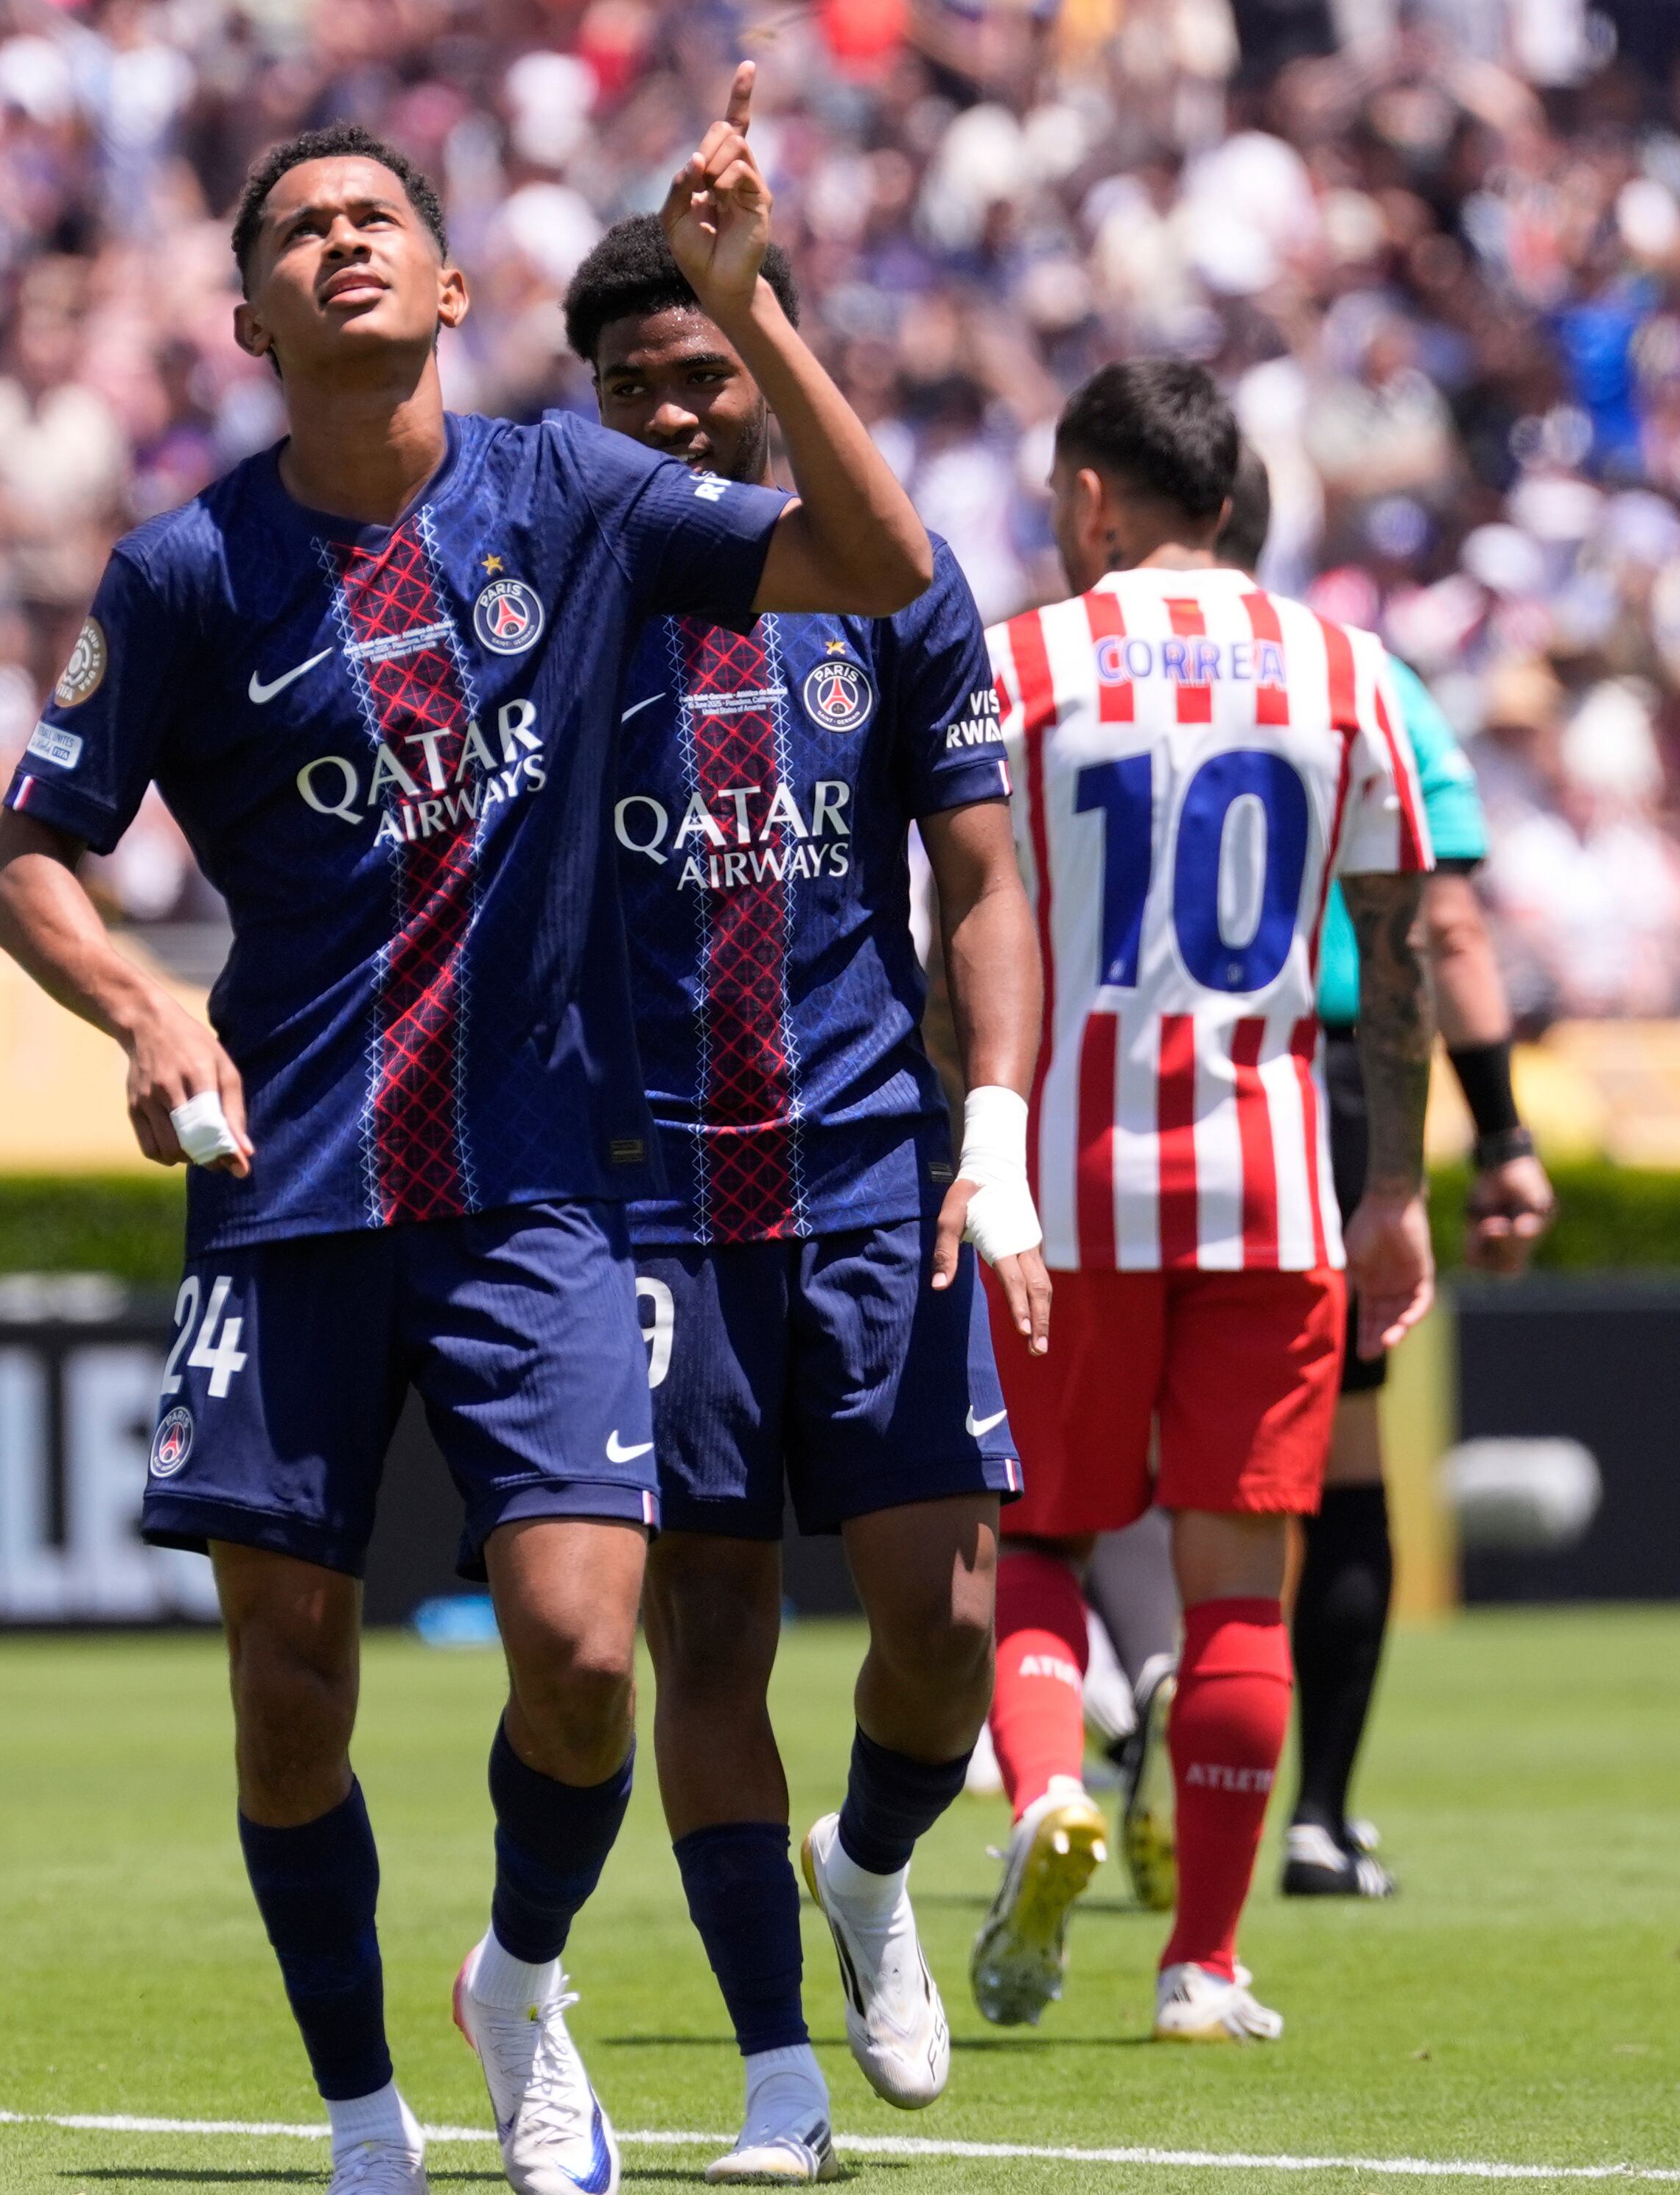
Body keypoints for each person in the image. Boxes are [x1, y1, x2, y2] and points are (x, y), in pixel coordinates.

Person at [0, 71, 931, 2195]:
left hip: (535, 1199)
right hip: (288, 1196)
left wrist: (749, 302)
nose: (337, 241)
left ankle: (516, 1973)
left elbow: (872, 561)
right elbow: (24, 854)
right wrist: (142, 1007)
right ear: (246, 319)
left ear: (444, 280)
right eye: (294, 229)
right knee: (290, 1682)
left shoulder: (569, 491)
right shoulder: (184, 571)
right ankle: (356, 2117)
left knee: (588, 1656)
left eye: (370, 218)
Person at [562, 213, 1045, 2182]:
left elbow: (984, 877)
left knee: (942, 1612)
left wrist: (993, 1121)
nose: (680, 408)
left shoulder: (890, 585)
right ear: (588, 403)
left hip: (870, 1172)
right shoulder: (559, 587)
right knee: (711, 1625)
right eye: (637, 385)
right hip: (648, 1201)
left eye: (707, 367)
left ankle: (867, 1863)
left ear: (765, 354)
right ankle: (775, 2067)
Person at [968, 360, 1435, 2046]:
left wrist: (972, 1138)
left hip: (1066, 1186)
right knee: (1239, 1583)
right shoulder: (1342, 669)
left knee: (1034, 1536)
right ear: (1230, 500)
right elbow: (1394, 944)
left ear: (1093, 498)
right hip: (1271, 1183)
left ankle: (1038, 1794)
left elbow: (961, 933)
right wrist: (1395, 1188)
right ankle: (1205, 1963)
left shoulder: (1021, 666)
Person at [1079, 450, 1558, 1914]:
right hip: (1317, 1086)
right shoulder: (1358, 680)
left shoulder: (1076, 669)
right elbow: (1445, 927)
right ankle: (1315, 1819)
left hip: (1105, 1089)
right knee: (1325, 1478)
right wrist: (1497, 1135)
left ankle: (1131, 1687)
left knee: (1093, 1461)